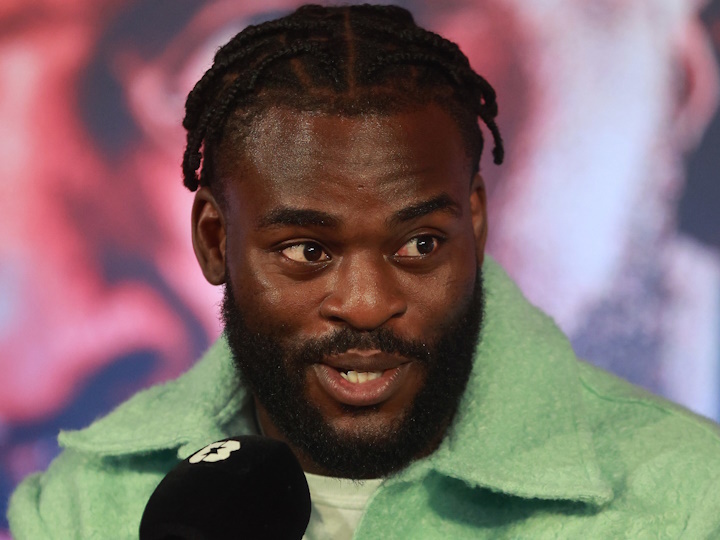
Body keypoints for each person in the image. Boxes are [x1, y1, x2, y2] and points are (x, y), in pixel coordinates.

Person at [7, 4, 720, 539]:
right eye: (306, 250)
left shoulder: (689, 500)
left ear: (671, 71)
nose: (364, 303)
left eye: (418, 243)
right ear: (214, 237)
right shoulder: (82, 506)